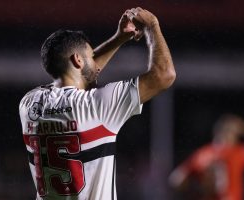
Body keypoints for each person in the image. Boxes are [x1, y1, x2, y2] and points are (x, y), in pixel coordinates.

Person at [19, 7, 175, 200]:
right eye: (91, 57)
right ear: (77, 60)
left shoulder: (29, 103)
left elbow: (83, 74)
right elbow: (164, 75)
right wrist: (153, 26)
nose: (96, 63)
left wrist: (119, 38)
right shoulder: (97, 106)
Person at [169, 114, 244, 200]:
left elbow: (176, 180)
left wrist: (195, 188)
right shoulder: (237, 152)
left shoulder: (203, 154)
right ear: (231, 134)